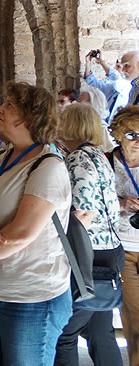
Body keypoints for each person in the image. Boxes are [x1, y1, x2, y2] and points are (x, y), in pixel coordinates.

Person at [0, 81, 72, 366]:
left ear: (30, 117)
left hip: (30, 295)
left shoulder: (49, 166)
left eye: (9, 105)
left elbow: (21, 235)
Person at [54, 103, 124, 366]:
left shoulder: (78, 159)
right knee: (99, 331)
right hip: (107, 250)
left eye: (64, 120)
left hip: (89, 255)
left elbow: (83, 213)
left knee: (64, 333)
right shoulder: (98, 156)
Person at [109, 105, 139, 366]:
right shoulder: (108, 162)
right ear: (119, 134)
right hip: (123, 248)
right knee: (134, 317)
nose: (138, 141)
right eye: (131, 135)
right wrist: (120, 204)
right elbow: (89, 205)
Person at [83, 49, 135, 116]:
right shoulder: (112, 87)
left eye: (118, 66)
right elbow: (91, 81)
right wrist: (88, 62)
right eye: (115, 66)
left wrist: (101, 61)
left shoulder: (127, 85)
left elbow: (115, 76)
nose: (115, 68)